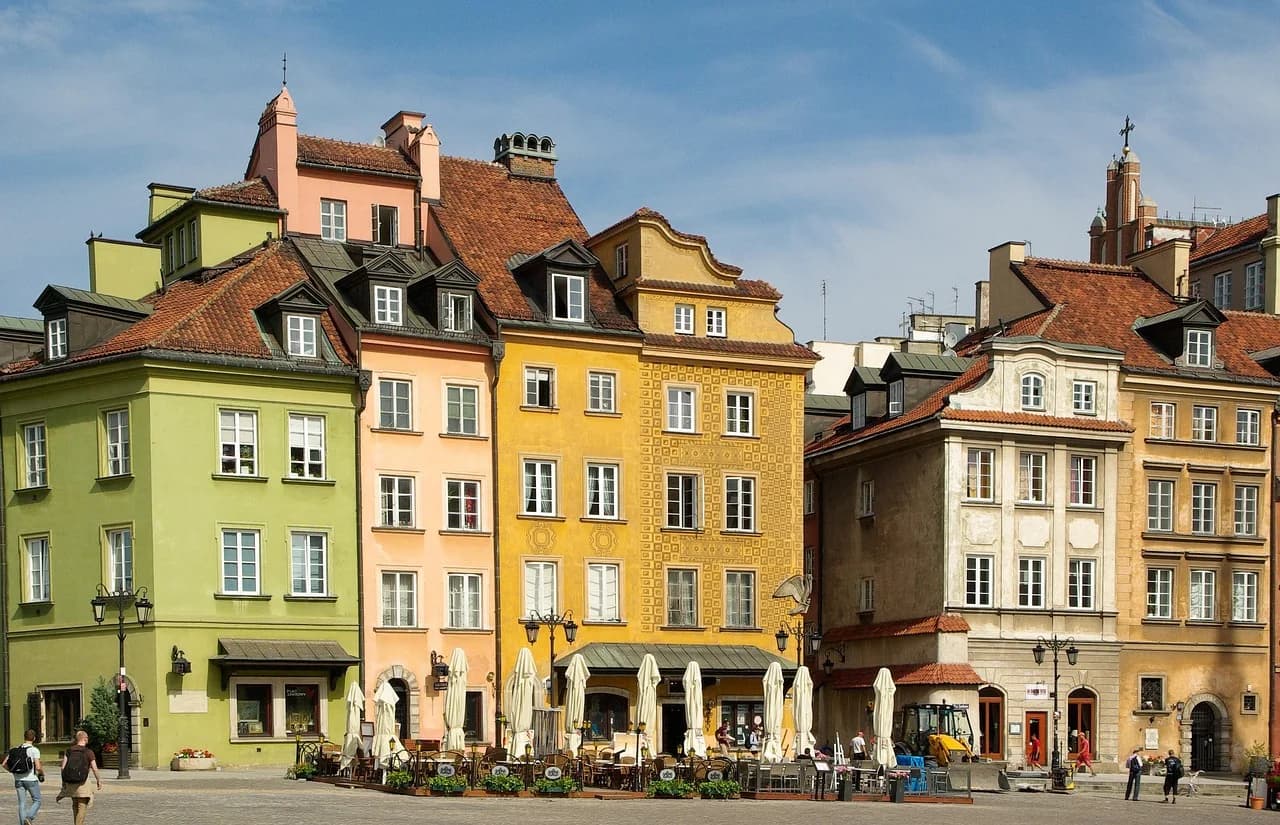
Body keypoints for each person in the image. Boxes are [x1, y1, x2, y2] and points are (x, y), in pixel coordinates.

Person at [57, 732, 99, 825]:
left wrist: (64, 781)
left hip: (71, 781)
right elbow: (94, 768)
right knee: (82, 806)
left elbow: (63, 767)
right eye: (87, 737)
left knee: (75, 805)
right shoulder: (88, 752)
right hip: (82, 783)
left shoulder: (69, 751)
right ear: (85, 738)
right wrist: (98, 780)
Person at [2, 729, 43, 825]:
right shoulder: (34, 750)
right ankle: (29, 817)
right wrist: (42, 774)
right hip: (31, 779)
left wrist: (12, 772)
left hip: (18, 780)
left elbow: (4, 764)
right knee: (37, 800)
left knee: (22, 804)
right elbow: (38, 767)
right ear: (34, 738)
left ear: (24, 737)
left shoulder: (14, 750)